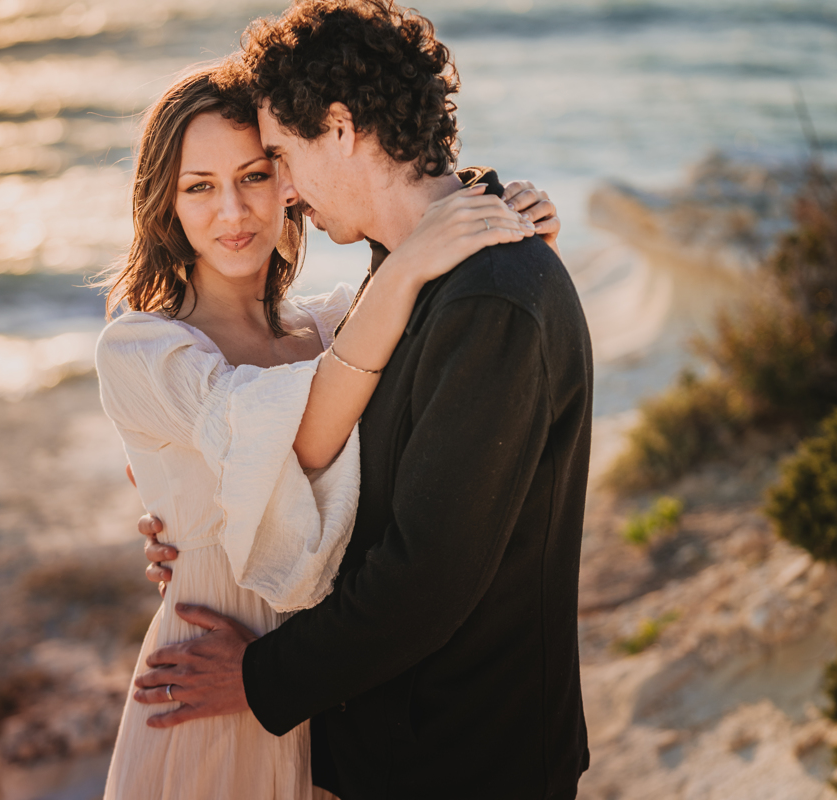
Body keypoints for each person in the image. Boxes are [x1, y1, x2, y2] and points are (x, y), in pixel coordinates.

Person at [130, 2, 594, 798]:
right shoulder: (403, 277)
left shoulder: (489, 297)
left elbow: (425, 580)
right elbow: (327, 462)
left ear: (340, 130)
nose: (283, 189)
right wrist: (209, 525)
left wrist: (258, 677)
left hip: (465, 761)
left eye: (278, 154)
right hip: (394, 747)